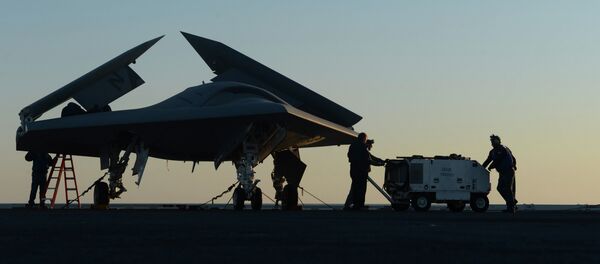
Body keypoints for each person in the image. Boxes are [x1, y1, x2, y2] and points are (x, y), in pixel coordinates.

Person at [344, 133, 386, 210]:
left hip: (354, 170)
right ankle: (359, 205)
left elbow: (370, 157)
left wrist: (381, 161)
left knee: (355, 188)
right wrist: (379, 163)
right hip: (361, 172)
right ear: (364, 139)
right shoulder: (362, 147)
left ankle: (354, 205)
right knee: (361, 189)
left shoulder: (353, 146)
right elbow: (369, 160)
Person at [482, 135, 517, 213]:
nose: (493, 143)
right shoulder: (492, 152)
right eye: (492, 141)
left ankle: (511, 207)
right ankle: (512, 202)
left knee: (507, 188)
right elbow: (488, 160)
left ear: (498, 141)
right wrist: (481, 168)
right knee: (500, 188)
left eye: (494, 141)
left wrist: (514, 165)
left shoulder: (503, 149)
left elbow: (500, 158)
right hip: (502, 172)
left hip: (508, 171)